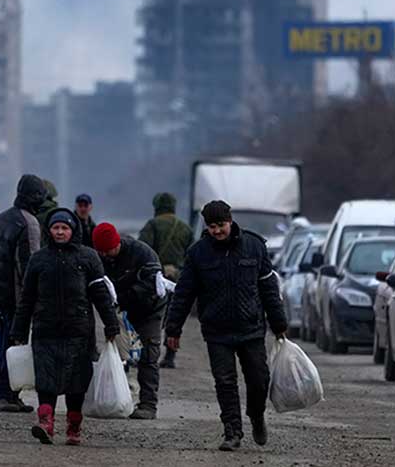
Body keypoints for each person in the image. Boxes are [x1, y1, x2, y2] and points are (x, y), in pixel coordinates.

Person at [165, 200, 288, 451]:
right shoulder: (198, 254)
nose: (217, 231)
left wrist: (279, 323)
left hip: (251, 328)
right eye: (212, 226)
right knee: (225, 382)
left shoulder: (254, 247)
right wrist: (173, 328)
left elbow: (268, 289)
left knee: (258, 380)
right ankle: (232, 431)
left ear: (230, 221)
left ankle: (256, 415)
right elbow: (184, 294)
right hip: (217, 331)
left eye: (221, 225)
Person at [11, 208, 120, 446]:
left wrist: (111, 323)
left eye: (65, 228)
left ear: (73, 230)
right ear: (49, 230)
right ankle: (46, 422)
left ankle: (73, 425)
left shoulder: (88, 257)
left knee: (76, 381)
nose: (60, 232)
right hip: (45, 329)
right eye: (56, 228)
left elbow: (100, 295)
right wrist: (19, 330)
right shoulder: (38, 259)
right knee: (45, 378)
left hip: (78, 331)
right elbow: (27, 298)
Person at [92, 222, 166, 420]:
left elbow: (152, 283)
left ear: (118, 243)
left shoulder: (142, 253)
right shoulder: (98, 258)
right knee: (117, 354)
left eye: (110, 250)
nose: (106, 255)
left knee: (148, 355)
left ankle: (148, 404)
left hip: (149, 310)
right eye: (102, 251)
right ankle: (115, 398)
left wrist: (123, 297)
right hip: (119, 312)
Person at [0, 174, 46, 413]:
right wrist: (37, 297)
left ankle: (9, 395)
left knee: (8, 344)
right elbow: (29, 266)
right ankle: (5, 395)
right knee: (16, 345)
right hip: (18, 295)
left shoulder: (1, 219)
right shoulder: (30, 223)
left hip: (1, 291)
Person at [138, 192, 193, 368]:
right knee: (174, 317)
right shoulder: (185, 228)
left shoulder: (152, 225)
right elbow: (192, 256)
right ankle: (169, 356)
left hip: (155, 279)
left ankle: (144, 353)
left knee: (148, 317)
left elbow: (142, 250)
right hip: (178, 280)